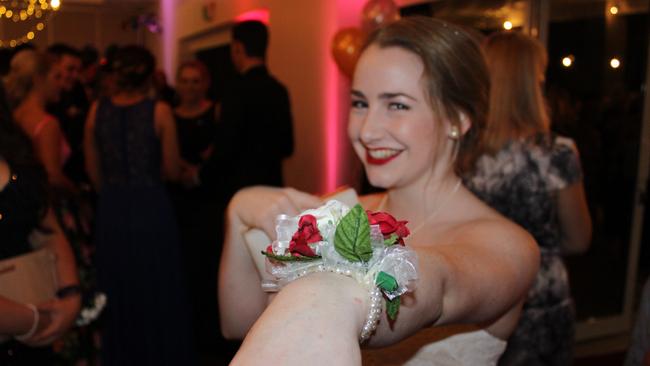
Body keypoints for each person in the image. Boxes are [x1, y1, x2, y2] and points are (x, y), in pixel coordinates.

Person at [218, 17, 540, 365]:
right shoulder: (339, 209)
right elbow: (239, 325)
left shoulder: (509, 247)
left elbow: (437, 289)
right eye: (360, 103)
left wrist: (329, 294)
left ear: (457, 119)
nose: (368, 131)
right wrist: (237, 215)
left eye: (397, 105)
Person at [464, 31, 592, 365]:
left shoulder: (461, 154)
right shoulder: (556, 153)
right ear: (529, 84)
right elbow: (579, 239)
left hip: (481, 297)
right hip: (540, 301)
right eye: (539, 76)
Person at [84, 45, 195, 365]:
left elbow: (94, 172)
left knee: (118, 286)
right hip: (151, 207)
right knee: (156, 286)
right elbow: (172, 169)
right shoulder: (159, 111)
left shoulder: (95, 111)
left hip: (113, 207)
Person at [0, 83, 81, 365]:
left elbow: (47, 230)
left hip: (33, 340)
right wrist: (35, 319)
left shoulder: (16, 159)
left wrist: (69, 295)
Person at [192, 20, 294, 200]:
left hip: (240, 190)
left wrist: (199, 175)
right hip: (272, 188)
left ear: (238, 48)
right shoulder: (279, 89)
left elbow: (226, 148)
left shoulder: (234, 91)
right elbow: (287, 146)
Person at [170, 60, 224, 354]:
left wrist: (198, 172)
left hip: (207, 200)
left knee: (207, 266)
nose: (189, 87)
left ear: (205, 84)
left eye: (195, 81)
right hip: (178, 199)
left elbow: (220, 153)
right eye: (185, 80)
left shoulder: (214, 112)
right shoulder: (169, 115)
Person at [46, 43, 90, 187]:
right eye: (70, 69)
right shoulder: (45, 104)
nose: (75, 76)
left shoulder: (77, 93)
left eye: (78, 70)